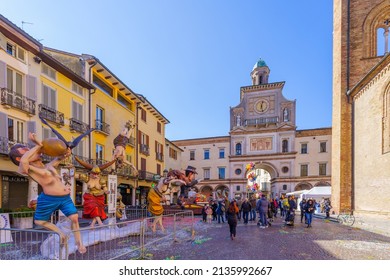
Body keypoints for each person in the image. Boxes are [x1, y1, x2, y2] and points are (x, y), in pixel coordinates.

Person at [9, 133, 86, 254]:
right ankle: (60, 234)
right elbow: (24, 161)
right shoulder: (28, 169)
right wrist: (38, 144)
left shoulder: (48, 166)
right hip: (49, 198)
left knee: (75, 218)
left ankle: (79, 243)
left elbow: (60, 158)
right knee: (39, 221)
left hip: (64, 198)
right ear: (19, 158)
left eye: (29, 150)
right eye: (26, 151)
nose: (31, 151)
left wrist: (67, 151)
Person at [74, 156, 115, 227]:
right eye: (94, 173)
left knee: (97, 210)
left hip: (99, 197)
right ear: (90, 173)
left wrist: (107, 191)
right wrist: (71, 169)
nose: (95, 175)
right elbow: (76, 175)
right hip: (90, 196)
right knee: (95, 208)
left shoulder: (101, 180)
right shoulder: (87, 178)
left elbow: (105, 189)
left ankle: (92, 224)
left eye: (97, 174)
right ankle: (100, 223)